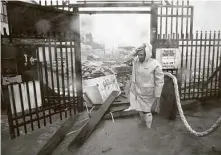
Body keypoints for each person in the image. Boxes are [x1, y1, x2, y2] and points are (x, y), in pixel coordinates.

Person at [123, 43, 164, 128]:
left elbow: (159, 82)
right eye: (138, 55)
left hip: (147, 92)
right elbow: (125, 60)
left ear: (147, 54)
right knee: (139, 109)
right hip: (136, 90)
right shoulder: (136, 61)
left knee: (146, 111)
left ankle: (148, 129)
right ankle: (143, 126)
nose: (140, 57)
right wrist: (134, 52)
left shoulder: (155, 64)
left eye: (141, 55)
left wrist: (157, 98)